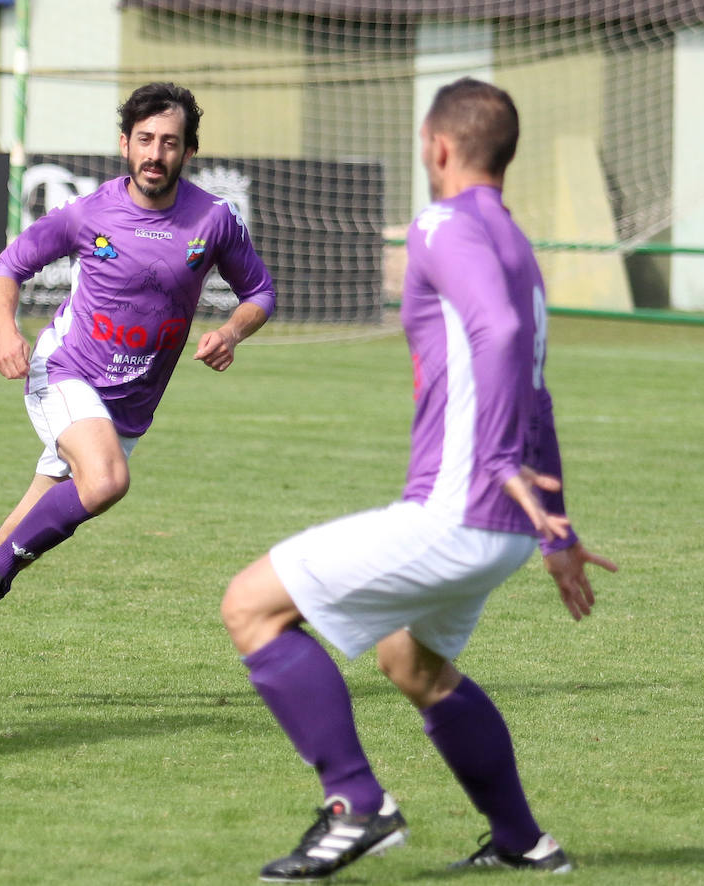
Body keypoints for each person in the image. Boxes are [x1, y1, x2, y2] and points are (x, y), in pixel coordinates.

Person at [219, 77, 619, 881]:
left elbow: (500, 336)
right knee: (416, 665)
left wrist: (500, 463)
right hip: (503, 524)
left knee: (250, 606)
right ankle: (522, 840)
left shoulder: (439, 223)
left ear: (438, 146)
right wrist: (559, 526)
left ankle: (356, 803)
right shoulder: (517, 246)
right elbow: (535, 386)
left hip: (460, 508)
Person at [0, 81, 278, 703]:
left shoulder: (214, 220)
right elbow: (8, 265)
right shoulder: (90, 213)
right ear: (124, 143)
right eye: (144, 139)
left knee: (18, 534)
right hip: (65, 371)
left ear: (189, 152)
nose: (155, 152)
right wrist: (6, 332)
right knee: (106, 482)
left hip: (128, 409)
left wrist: (231, 330)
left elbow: (261, 294)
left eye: (170, 142)